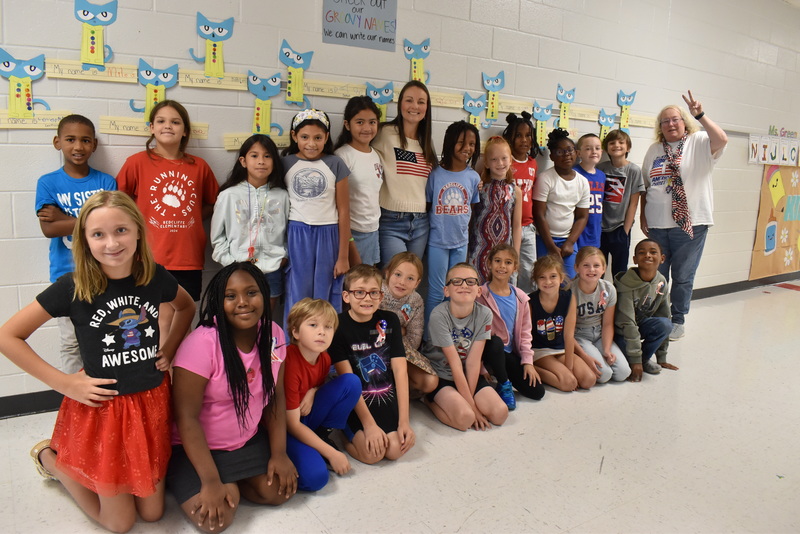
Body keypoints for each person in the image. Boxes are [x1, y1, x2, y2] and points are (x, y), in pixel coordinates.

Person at [0, 191, 195, 533]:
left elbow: (186, 306)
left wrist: (171, 346)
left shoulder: (154, 277)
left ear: (138, 231)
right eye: (98, 234)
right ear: (84, 240)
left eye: (121, 230)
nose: (111, 243)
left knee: (152, 514)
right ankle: (51, 459)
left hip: (150, 405)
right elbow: (7, 336)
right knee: (119, 524)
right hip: (104, 410)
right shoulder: (73, 286)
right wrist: (64, 383)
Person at [168, 262, 297, 532]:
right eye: (231, 296)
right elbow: (186, 417)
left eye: (251, 292)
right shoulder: (202, 343)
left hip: (244, 442)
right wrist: (211, 481)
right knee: (217, 521)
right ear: (218, 300)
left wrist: (279, 453)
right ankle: (218, 481)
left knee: (279, 492)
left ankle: (233, 481)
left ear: (264, 293)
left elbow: (276, 395)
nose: (242, 302)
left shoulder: (274, 334)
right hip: (197, 449)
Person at [116, 100, 219, 338]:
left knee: (184, 323)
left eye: (175, 121)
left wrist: (192, 216)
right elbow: (119, 202)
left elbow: (213, 202)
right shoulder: (137, 163)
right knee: (159, 321)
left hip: (188, 258)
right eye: (161, 121)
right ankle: (164, 374)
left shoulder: (199, 166)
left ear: (185, 130)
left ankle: (184, 373)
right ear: (151, 127)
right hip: (150, 257)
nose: (168, 126)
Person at [640, 90, 728, 340]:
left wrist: (700, 115)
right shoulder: (654, 149)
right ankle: (658, 317)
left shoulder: (699, 141)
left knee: (682, 276)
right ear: (660, 127)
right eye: (665, 121)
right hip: (657, 224)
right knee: (656, 275)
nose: (670, 124)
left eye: (675, 119)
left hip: (691, 224)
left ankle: (678, 319)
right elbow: (648, 186)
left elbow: (721, 139)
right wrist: (643, 217)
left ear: (684, 121)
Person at [35, 114, 117, 374]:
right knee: (71, 341)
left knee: (104, 335)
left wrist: (65, 218)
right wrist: (89, 220)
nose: (78, 146)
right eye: (70, 139)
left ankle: (105, 388)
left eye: (85, 140)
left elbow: (110, 223)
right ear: (57, 142)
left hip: (104, 271)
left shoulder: (106, 182)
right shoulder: (48, 182)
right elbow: (49, 228)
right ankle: (75, 395)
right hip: (66, 272)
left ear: (94, 144)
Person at [329, 265, 415, 464]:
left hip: (384, 393)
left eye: (373, 293)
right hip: (355, 400)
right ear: (346, 296)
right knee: (372, 455)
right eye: (359, 292)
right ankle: (343, 432)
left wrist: (404, 422)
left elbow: (400, 372)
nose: (367, 298)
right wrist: (369, 425)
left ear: (381, 296)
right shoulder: (338, 327)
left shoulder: (389, 320)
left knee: (394, 450)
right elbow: (347, 378)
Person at [283, 298, 361, 492]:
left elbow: (318, 384)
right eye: (313, 325)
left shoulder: (324, 357)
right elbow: (291, 425)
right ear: (295, 332)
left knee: (351, 382)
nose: (321, 332)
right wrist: (331, 454)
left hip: (305, 417)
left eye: (328, 327)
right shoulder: (289, 362)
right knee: (317, 478)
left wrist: (313, 391)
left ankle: (321, 436)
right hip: (284, 429)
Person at [282, 109, 351, 323]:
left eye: (318, 138)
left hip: (329, 235)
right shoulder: (285, 163)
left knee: (326, 293)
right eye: (305, 137)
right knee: (297, 294)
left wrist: (343, 256)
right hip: (297, 234)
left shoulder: (335, 164)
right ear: (294, 136)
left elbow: (344, 210)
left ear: (326, 138)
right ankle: (293, 348)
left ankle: (326, 349)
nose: (311, 143)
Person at [422, 263, 509, 431]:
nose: (463, 285)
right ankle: (429, 401)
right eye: (456, 281)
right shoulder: (439, 315)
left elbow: (473, 362)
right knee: (465, 419)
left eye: (470, 281)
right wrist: (473, 409)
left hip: (469, 374)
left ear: (479, 291)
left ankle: (465, 401)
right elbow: (454, 364)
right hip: (443, 374)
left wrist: (471, 401)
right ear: (446, 291)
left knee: (500, 414)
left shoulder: (484, 314)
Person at [210, 134, 288, 313]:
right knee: (241, 318)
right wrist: (231, 263)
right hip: (238, 269)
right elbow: (217, 237)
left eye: (267, 156)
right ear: (243, 162)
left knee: (265, 319)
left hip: (272, 269)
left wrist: (284, 256)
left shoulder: (282, 195)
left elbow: (290, 232)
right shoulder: (228, 195)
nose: (261, 161)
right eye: (254, 156)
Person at [373, 80, 437, 264]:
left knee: (410, 283)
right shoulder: (384, 133)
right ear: (400, 104)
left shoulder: (427, 142)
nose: (415, 106)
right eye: (409, 100)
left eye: (421, 102)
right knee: (394, 279)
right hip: (391, 220)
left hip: (421, 222)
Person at [425, 121, 481, 328]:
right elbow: (428, 206)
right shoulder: (435, 174)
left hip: (461, 243)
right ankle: (430, 339)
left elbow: (471, 211)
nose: (467, 148)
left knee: (457, 291)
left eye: (472, 144)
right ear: (449, 143)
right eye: (461, 143)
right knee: (438, 291)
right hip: (437, 242)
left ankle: (449, 335)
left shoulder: (473, 177)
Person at [476, 244, 545, 410]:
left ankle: (501, 373)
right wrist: (480, 366)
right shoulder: (480, 295)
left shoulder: (521, 298)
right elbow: (473, 333)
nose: (502, 266)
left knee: (537, 392)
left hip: (507, 355)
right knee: (496, 341)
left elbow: (525, 333)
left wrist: (527, 362)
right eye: (497, 261)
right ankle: (503, 383)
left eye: (508, 262)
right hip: (486, 352)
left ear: (515, 267)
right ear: (489, 264)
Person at [614, 239, 679, 382]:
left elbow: (665, 316)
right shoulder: (626, 283)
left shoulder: (661, 282)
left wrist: (661, 357)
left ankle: (644, 359)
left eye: (653, 252)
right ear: (635, 259)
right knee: (623, 367)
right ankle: (637, 359)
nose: (648, 255)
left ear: (662, 259)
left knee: (665, 324)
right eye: (642, 253)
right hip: (620, 333)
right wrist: (634, 360)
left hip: (640, 326)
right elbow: (627, 324)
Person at [529, 254, 598, 391]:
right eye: (542, 277)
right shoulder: (530, 301)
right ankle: (532, 370)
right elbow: (526, 336)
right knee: (568, 383)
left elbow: (568, 335)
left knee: (589, 380)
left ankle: (564, 373)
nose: (548, 281)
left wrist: (569, 367)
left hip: (561, 348)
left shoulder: (568, 298)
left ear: (561, 278)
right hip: (540, 350)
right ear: (536, 280)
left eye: (553, 276)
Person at [532, 129, 590, 278]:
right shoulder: (545, 178)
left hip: (568, 240)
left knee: (569, 282)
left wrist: (570, 242)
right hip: (545, 239)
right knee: (546, 279)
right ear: (552, 157)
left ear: (576, 153)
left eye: (570, 150)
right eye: (559, 152)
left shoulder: (582, 182)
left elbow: (582, 217)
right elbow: (539, 215)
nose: (566, 155)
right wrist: (551, 247)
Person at [379, 252, 438, 394]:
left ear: (417, 283)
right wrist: (400, 330)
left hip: (401, 350)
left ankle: (395, 389)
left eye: (410, 278)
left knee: (430, 382)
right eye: (397, 274)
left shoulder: (415, 300)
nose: (402, 282)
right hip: (372, 349)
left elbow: (414, 338)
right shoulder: (376, 291)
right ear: (387, 273)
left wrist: (395, 334)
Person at [335, 96, 384, 266]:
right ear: (347, 125)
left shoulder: (376, 154)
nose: (367, 128)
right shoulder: (342, 156)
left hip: (373, 231)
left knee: (368, 285)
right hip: (352, 233)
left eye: (372, 122)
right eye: (360, 122)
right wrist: (349, 240)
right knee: (353, 286)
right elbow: (338, 203)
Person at [573, 246, 631, 383]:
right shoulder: (570, 292)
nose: (592, 270)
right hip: (579, 336)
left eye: (596, 265)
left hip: (600, 333)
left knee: (623, 373)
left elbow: (608, 323)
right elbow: (567, 332)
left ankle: (599, 353)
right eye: (586, 265)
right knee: (604, 375)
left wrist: (606, 350)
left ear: (604, 269)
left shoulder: (608, 289)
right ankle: (581, 359)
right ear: (576, 268)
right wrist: (584, 355)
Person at [468, 136, 522, 283]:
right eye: (494, 159)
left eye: (504, 158)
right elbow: (470, 219)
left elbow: (516, 225)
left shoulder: (516, 191)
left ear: (511, 160)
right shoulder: (480, 188)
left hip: (504, 254)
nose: (500, 163)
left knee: (502, 291)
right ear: (486, 162)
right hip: (479, 250)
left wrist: (515, 255)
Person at [597, 129, 645, 277]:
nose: (616, 145)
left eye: (621, 142)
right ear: (606, 148)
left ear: (628, 147)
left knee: (620, 269)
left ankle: (620, 299)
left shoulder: (634, 170)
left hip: (620, 228)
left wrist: (625, 230)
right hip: (600, 228)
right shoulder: (600, 168)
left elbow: (634, 203)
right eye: (612, 143)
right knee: (598, 267)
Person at [502, 111, 540, 292]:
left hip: (529, 228)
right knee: (511, 272)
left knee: (529, 272)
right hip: (509, 227)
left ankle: (526, 311)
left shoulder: (533, 163)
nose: (524, 140)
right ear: (510, 137)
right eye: (518, 136)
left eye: (528, 135)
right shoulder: (506, 163)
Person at [574, 133, 606, 249]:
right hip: (577, 232)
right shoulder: (574, 173)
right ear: (578, 153)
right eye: (588, 148)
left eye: (597, 148)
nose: (593, 151)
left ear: (601, 152)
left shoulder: (602, 176)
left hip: (595, 232)